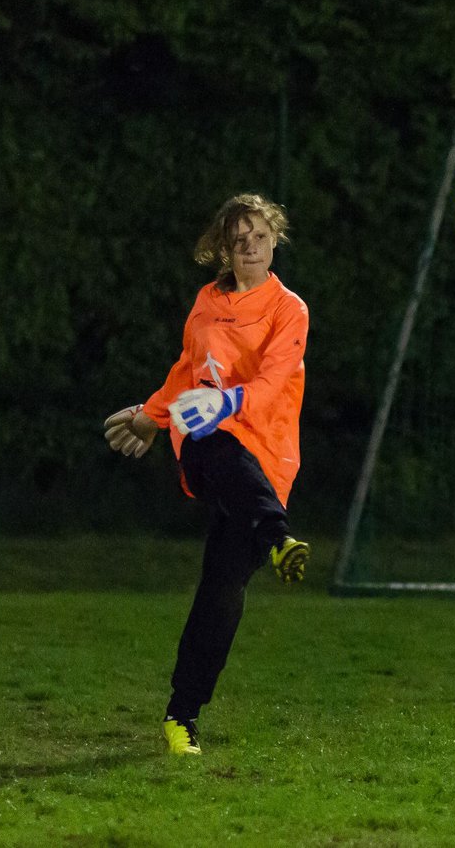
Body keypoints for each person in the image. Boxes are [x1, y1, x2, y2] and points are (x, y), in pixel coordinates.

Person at [102, 193, 312, 755]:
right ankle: (278, 537)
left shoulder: (289, 309)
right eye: (238, 239)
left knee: (220, 591)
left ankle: (181, 717)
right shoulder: (206, 301)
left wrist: (229, 401)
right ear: (223, 247)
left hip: (268, 463)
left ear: (275, 241)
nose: (250, 246)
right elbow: (185, 370)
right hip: (207, 446)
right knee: (211, 439)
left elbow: (272, 383)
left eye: (260, 236)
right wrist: (152, 416)